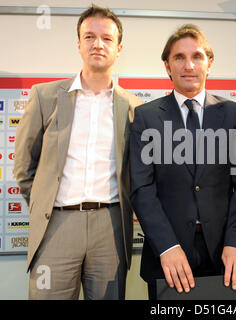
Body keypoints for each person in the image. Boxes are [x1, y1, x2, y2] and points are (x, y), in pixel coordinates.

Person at [13, 5, 143, 299]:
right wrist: (46, 203)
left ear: (118, 48)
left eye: (107, 38)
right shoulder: (45, 96)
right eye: (90, 37)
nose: (98, 44)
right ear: (79, 44)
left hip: (110, 227)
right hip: (55, 226)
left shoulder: (135, 108)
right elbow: (23, 168)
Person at [129, 24, 236, 299]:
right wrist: (166, 246)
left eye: (197, 56)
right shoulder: (146, 117)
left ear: (209, 64)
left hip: (224, 256)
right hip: (167, 257)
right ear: (167, 66)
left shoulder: (233, 114)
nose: (189, 65)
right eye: (179, 57)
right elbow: (142, 189)